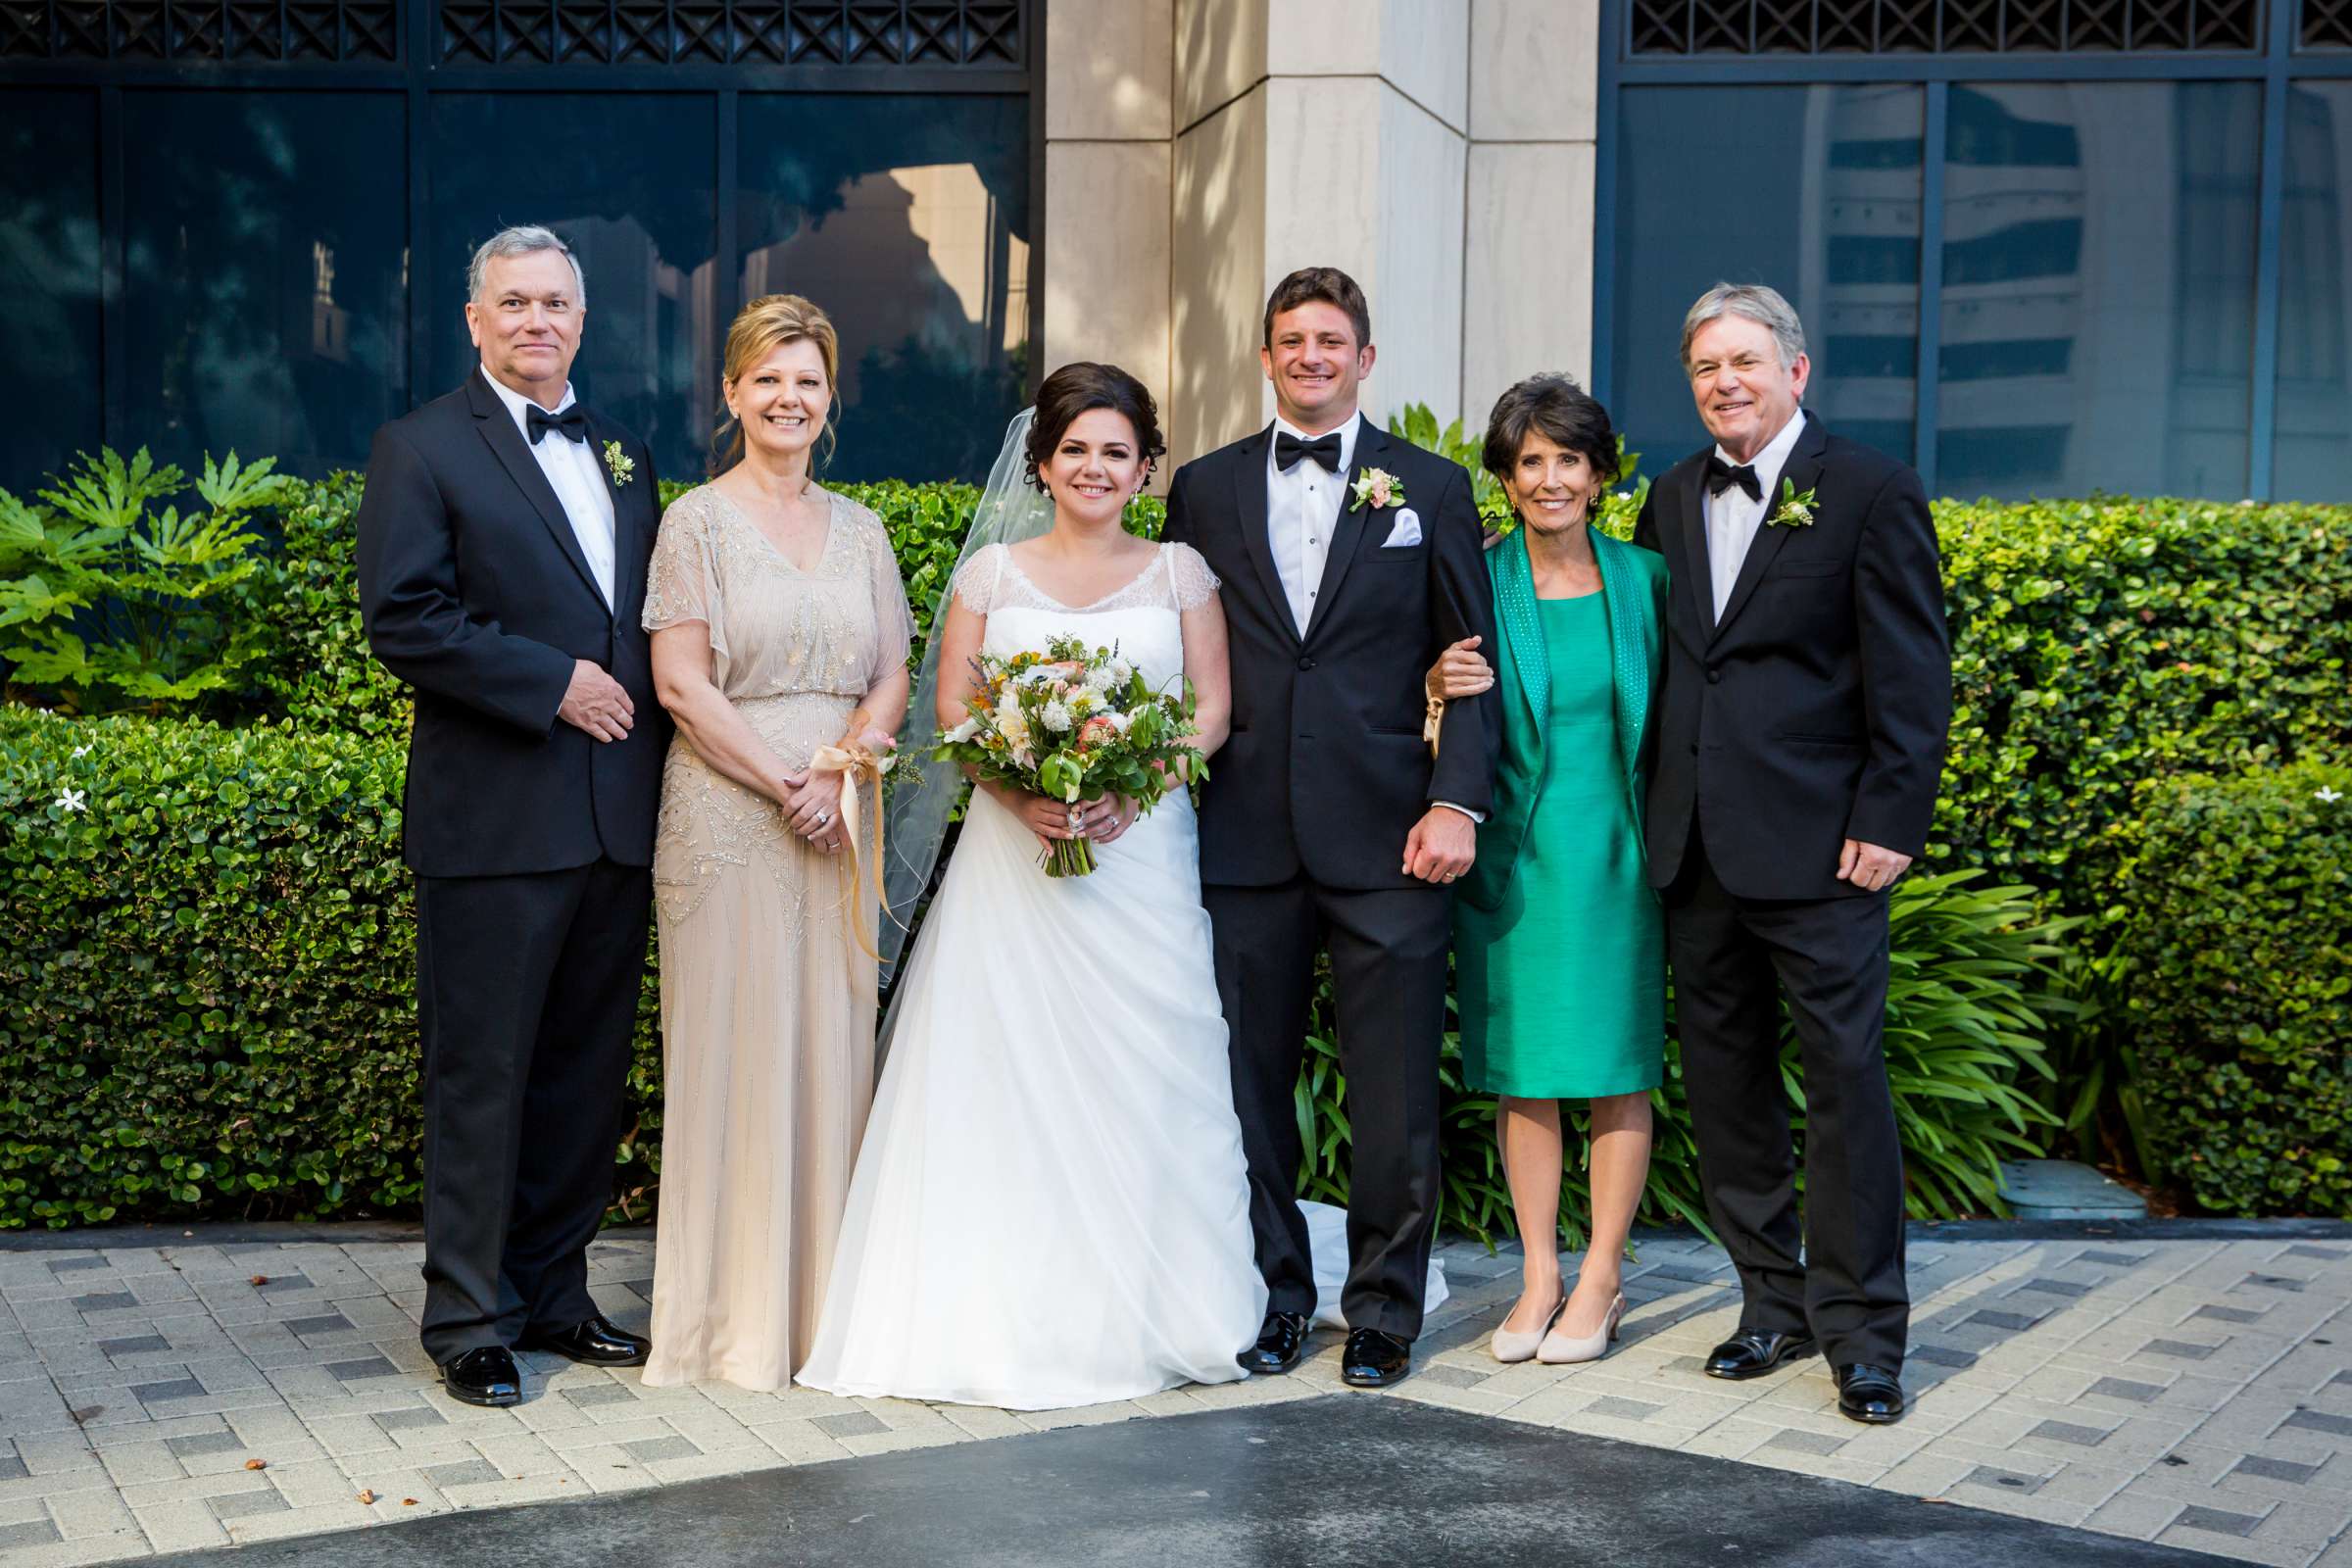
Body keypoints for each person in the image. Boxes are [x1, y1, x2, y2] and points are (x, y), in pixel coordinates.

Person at [796, 364, 1266, 1409]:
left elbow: (1211, 712)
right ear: (1043, 463)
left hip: (1140, 861)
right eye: (1077, 450)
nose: (1095, 468)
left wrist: (1127, 793)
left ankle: (1163, 1294)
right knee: (995, 1066)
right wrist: (1023, 796)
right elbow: (956, 706)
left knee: (1152, 1064)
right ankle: (991, 1297)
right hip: (1013, 865)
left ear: (1146, 468)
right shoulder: (991, 578)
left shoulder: (1181, 573)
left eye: (1117, 451)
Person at [1161, 268, 1498, 1391]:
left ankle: (1387, 1312)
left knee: (1395, 1087)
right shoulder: (1203, 491)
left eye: (1333, 340)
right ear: (1265, 357)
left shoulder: (1434, 489)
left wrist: (1455, 800)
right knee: (1248, 1089)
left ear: (1365, 356)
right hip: (1246, 836)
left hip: (1394, 836)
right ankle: (1275, 1300)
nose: (1312, 356)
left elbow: (1475, 664)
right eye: (1292, 340)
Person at [357, 224, 667, 1407]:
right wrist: (552, 683)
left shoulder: (627, 451)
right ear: (475, 320)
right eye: (514, 303)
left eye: (556, 303)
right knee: (482, 1075)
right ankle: (469, 1319)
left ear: (581, 321)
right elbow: (406, 616)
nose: (537, 321)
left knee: (585, 1077)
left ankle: (554, 1291)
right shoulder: (423, 446)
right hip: (492, 823)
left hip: (615, 819)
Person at [1633, 282, 1950, 1425]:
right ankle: (1769, 1300)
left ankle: (1864, 1336)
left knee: (1846, 1089)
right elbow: (1670, 668)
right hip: (1697, 849)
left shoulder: (1869, 491)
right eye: (1706, 366)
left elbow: (1913, 675)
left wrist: (1889, 821)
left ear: (1797, 371)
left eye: (1746, 362)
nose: (1725, 382)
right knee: (1726, 1091)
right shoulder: (1668, 496)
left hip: (1824, 854)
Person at [636, 295, 913, 1391]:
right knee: (730, 1053)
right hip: (727, 814)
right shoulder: (694, 522)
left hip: (844, 816)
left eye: (808, 381)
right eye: (769, 380)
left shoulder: (865, 529)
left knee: (832, 1051)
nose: (789, 398)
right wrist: (784, 779)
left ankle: (823, 1320)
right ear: (734, 393)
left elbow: (893, 670)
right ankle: (726, 1325)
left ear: (828, 398)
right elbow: (678, 683)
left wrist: (844, 766)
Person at [1426, 374, 1667, 1366]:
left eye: (1569, 458)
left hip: (1623, 859)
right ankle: (1538, 1274)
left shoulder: (1649, 580)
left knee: (1615, 1071)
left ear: (1600, 474)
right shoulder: (1479, 580)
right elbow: (1422, 707)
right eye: (1530, 460)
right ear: (1507, 477)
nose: (1550, 477)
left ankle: (1602, 1274)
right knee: (1525, 1077)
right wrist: (1432, 687)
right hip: (1517, 862)